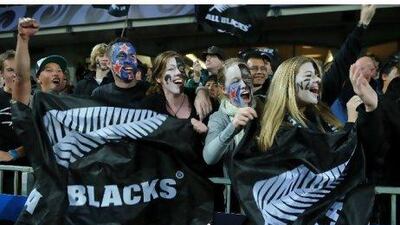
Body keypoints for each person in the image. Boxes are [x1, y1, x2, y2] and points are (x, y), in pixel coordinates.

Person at [142, 51, 208, 134]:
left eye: (181, 68)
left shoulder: (197, 98)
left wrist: (202, 91)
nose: (178, 73)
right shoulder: (149, 107)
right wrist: (189, 123)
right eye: (171, 69)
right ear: (158, 78)